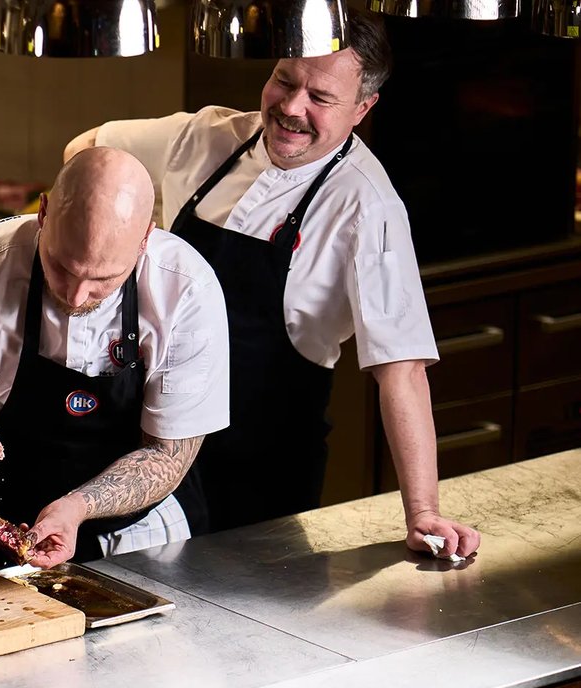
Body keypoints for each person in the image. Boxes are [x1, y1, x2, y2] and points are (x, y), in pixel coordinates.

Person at [64, 10, 482, 559]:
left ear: (363, 108)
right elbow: (87, 148)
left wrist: (423, 512)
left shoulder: (367, 206)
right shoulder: (204, 137)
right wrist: (116, 238)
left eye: (320, 97)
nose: (291, 107)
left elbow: (401, 369)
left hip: (258, 476)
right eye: (285, 80)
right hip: (144, 455)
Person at [0, 148, 230, 572]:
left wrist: (77, 507)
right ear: (43, 213)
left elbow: (167, 455)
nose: (76, 295)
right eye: (61, 266)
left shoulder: (187, 291)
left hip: (135, 537)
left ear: (145, 238)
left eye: (104, 279)